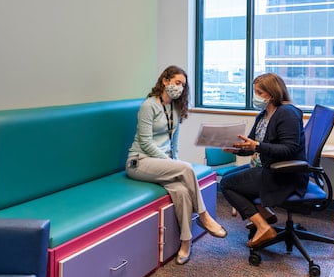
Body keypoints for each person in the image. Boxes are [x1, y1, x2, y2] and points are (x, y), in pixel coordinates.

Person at [126, 65, 227, 265]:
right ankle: (204, 216)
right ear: (165, 81)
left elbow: (174, 144)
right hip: (140, 161)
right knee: (186, 168)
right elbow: (145, 142)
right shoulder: (149, 105)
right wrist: (173, 164)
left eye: (183, 85)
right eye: (177, 82)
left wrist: (174, 161)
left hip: (163, 163)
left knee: (181, 191)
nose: (179, 88)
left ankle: (186, 243)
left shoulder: (176, 108)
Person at [220, 73, 307, 248]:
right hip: (267, 167)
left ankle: (263, 226)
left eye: (259, 92)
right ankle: (265, 214)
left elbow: (288, 149)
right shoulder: (262, 115)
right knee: (230, 176)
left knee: (226, 184)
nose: (256, 96)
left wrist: (257, 147)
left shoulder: (287, 113)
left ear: (272, 94)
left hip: (283, 174)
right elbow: (253, 145)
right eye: (255, 92)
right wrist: (238, 149)